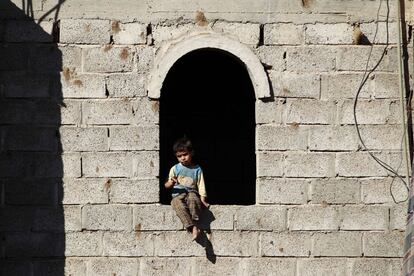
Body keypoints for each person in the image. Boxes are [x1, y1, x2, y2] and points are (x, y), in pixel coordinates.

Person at [165, 137, 209, 240]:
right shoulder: (175, 168)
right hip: (178, 194)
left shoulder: (197, 169)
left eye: (185, 154)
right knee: (175, 203)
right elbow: (166, 185)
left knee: (193, 199)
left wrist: (203, 200)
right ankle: (192, 227)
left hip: (191, 192)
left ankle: (195, 222)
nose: (182, 158)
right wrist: (171, 182)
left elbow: (201, 185)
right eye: (179, 156)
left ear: (191, 153)